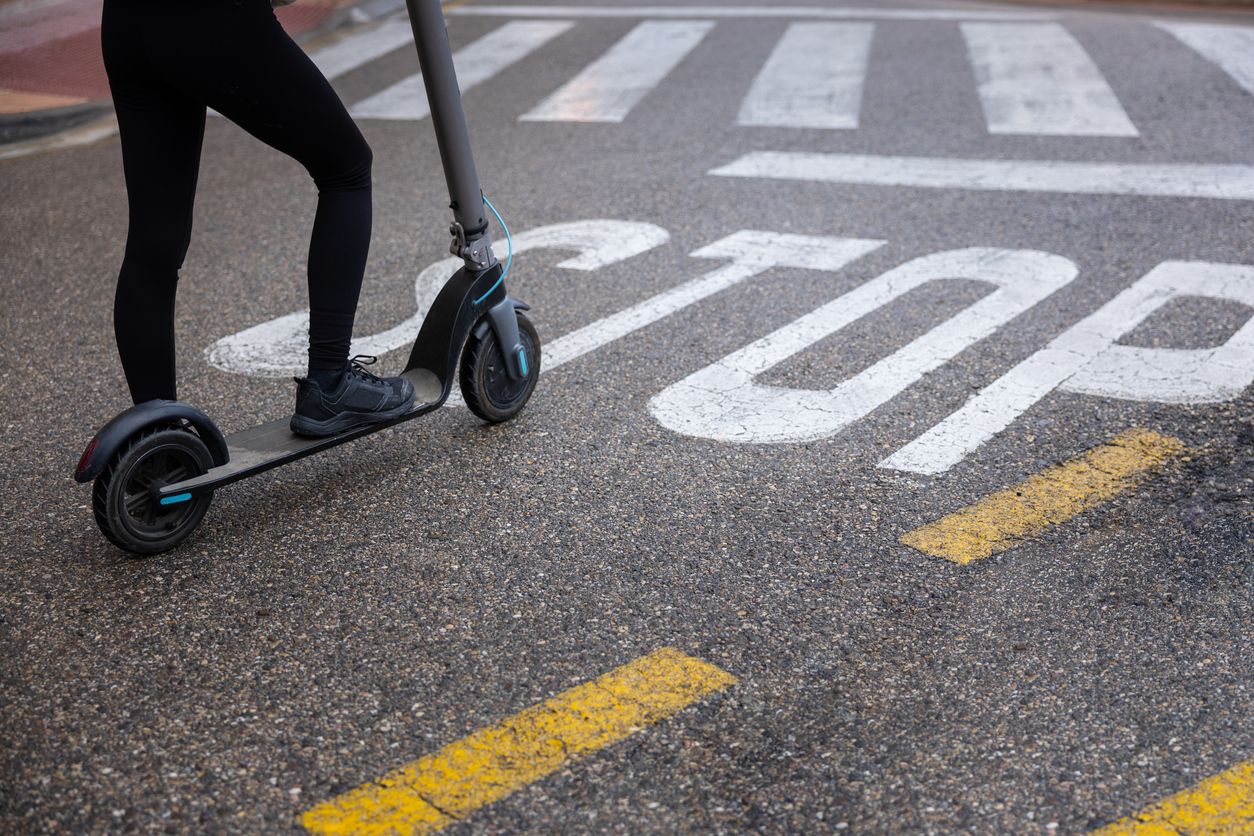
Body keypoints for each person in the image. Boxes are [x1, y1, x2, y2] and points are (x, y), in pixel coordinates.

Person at [101, 0, 416, 437]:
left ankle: (159, 436)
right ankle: (330, 384)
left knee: (156, 237)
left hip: (126, 23)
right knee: (346, 168)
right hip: (213, 20)